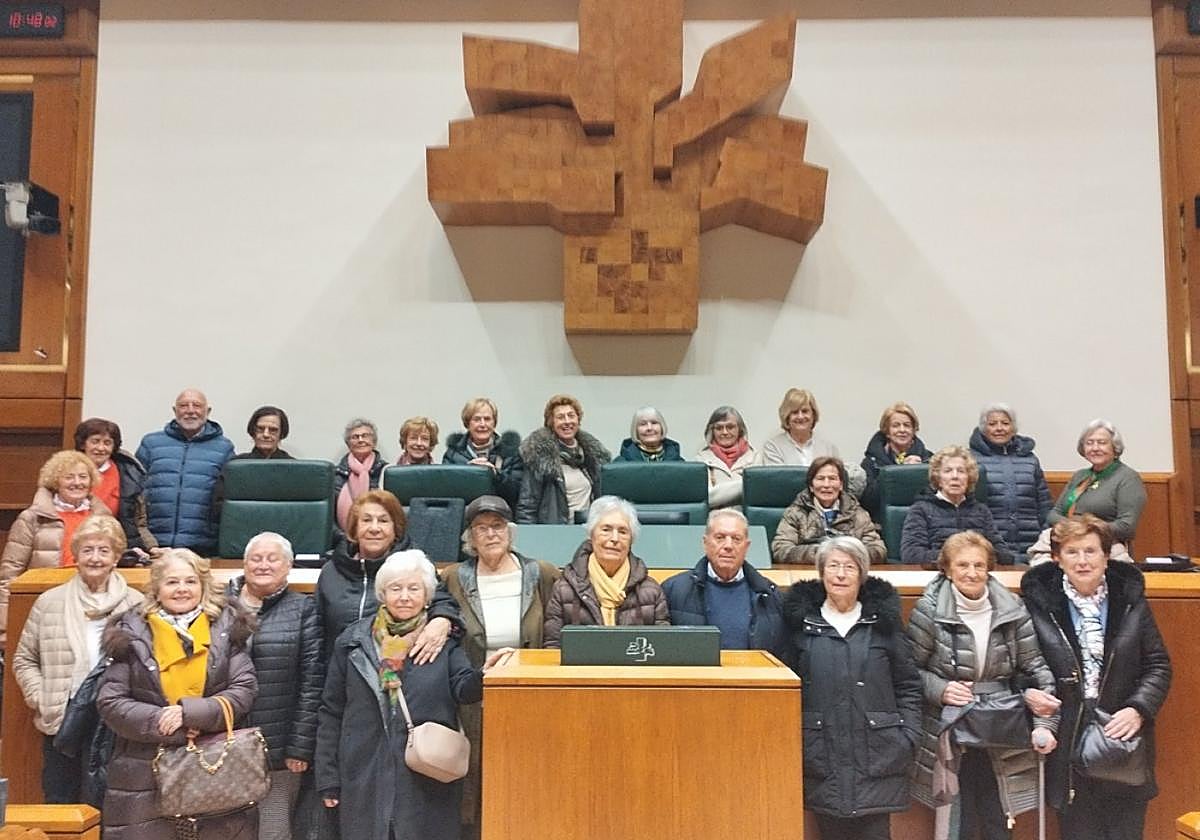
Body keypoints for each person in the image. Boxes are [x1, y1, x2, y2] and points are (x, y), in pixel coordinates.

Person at [315, 550, 511, 840]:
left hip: (425, 778)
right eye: (396, 588)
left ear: (427, 596)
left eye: (413, 588)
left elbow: (463, 689)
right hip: (364, 773)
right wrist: (328, 777)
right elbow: (332, 710)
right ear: (382, 594)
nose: (404, 597)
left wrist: (485, 674)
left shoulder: (441, 642)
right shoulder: (353, 641)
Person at [1020, 516, 1171, 840]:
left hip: (1122, 735)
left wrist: (1138, 709)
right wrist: (1027, 693)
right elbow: (1018, 666)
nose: (1083, 561)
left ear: (1106, 556)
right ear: (1057, 558)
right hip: (1068, 737)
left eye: (1090, 551)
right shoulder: (1038, 604)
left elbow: (1158, 665)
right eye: (1072, 552)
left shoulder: (1131, 600)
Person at [96, 548, 258, 840]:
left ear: (203, 586)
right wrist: (165, 721)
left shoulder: (229, 627)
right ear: (156, 589)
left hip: (214, 767)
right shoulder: (129, 632)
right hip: (143, 771)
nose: (182, 589)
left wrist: (189, 714)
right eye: (172, 582)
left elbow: (243, 690)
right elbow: (111, 702)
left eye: (190, 581)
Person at [907, 531, 1058, 840]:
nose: (972, 573)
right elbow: (908, 671)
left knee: (997, 819)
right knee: (955, 823)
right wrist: (940, 689)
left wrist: (1045, 724)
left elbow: (1037, 668)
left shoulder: (1012, 608)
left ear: (989, 568)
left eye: (979, 565)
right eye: (962, 565)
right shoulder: (929, 609)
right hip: (949, 726)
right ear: (947, 569)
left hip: (1000, 726)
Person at [781, 536, 921, 840]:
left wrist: (907, 736)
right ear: (822, 573)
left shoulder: (883, 623)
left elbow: (908, 685)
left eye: (849, 567)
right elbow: (787, 691)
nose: (841, 575)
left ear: (862, 575)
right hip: (821, 755)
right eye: (833, 566)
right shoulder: (801, 625)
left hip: (879, 755)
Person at [441, 495, 558, 838]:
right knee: (475, 778)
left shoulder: (540, 573)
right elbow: (440, 614)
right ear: (470, 537)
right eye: (482, 528)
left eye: (498, 526)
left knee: (527, 777)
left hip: (529, 695)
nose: (491, 534)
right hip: (472, 696)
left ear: (510, 532)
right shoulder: (454, 577)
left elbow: (558, 627)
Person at [11, 515, 144, 803]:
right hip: (63, 714)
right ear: (76, 555)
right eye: (88, 550)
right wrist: (42, 696)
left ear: (116, 557)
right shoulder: (50, 602)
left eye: (104, 550)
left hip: (115, 717)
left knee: (112, 802)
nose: (95, 558)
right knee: (60, 798)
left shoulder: (136, 604)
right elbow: (24, 659)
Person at [227, 531, 323, 840]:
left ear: (288, 566)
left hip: (278, 748)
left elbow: (312, 682)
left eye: (273, 559)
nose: (263, 565)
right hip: (222, 742)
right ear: (244, 564)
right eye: (256, 558)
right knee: (227, 829)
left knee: (274, 830)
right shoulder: (219, 607)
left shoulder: (303, 609)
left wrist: (299, 747)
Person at [316, 489, 460, 660]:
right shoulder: (331, 571)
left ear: (395, 529)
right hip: (341, 668)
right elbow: (316, 633)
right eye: (366, 520)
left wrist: (442, 619)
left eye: (383, 521)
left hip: (399, 668)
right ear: (354, 528)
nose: (374, 528)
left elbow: (443, 602)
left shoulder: (415, 565)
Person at [1, 450, 112, 643]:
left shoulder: (104, 518)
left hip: (93, 606)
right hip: (45, 606)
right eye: (69, 477)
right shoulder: (31, 518)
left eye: (83, 477)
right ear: (55, 481)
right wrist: (4, 623)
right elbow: (10, 572)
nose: (77, 482)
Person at [543, 496, 669, 647]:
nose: (615, 538)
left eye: (623, 532)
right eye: (606, 530)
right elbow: (553, 646)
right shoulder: (564, 589)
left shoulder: (651, 591)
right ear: (591, 535)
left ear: (631, 540)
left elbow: (663, 647)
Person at [662, 509, 785, 657]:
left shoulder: (770, 595)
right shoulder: (674, 590)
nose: (728, 546)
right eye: (720, 537)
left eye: (736, 539)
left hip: (751, 672)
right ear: (705, 543)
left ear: (746, 546)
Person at [135, 388, 234, 555]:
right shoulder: (151, 444)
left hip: (203, 547)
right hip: (155, 545)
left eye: (197, 405)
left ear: (208, 411)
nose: (190, 411)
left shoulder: (224, 448)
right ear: (175, 410)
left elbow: (227, 497)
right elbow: (135, 491)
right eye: (183, 405)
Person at [900, 445, 1014, 566]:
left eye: (961, 471)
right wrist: (958, 558)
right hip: (937, 572)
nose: (955, 476)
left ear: (969, 478)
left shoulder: (981, 511)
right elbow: (911, 555)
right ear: (938, 478)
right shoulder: (920, 510)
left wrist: (974, 559)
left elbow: (1005, 555)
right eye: (948, 471)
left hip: (976, 573)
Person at [1046, 419, 1146, 554]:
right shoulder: (1080, 476)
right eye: (1089, 443)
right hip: (1068, 545)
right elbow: (1053, 514)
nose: (1095, 448)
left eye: (1102, 443)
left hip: (1108, 550)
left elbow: (1126, 527)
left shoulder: (1128, 478)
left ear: (1115, 447)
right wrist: (1074, 529)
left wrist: (1084, 531)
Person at [967, 403, 1051, 557]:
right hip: (989, 545)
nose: (999, 428)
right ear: (983, 428)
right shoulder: (970, 459)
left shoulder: (1030, 460)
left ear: (1013, 428)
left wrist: (1044, 537)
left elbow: (1044, 504)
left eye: (1005, 423)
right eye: (992, 424)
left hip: (1031, 543)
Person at [771, 456, 886, 566]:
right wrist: (821, 553)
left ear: (841, 485)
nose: (826, 485)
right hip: (808, 573)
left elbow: (878, 550)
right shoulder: (795, 513)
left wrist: (846, 553)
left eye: (832, 479)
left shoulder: (857, 513)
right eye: (820, 479)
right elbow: (780, 550)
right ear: (811, 486)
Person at [516, 394, 610, 524]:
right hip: (555, 532)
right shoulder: (540, 457)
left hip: (587, 529)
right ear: (551, 423)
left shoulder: (591, 456)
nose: (567, 421)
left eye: (571, 416)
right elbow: (527, 506)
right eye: (560, 417)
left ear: (578, 419)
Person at [74, 417, 157, 558]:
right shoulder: (66, 471)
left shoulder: (128, 474)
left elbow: (138, 522)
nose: (101, 448)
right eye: (95, 441)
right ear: (83, 444)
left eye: (107, 443)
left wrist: (152, 547)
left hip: (116, 548)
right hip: (75, 545)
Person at [211, 405, 295, 522]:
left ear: (281, 434)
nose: (266, 434)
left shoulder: (293, 468)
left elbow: (296, 510)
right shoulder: (235, 466)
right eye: (260, 429)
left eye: (273, 430)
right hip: (242, 526)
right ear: (252, 432)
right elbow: (218, 507)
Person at [442, 397, 523, 506]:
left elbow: (517, 492)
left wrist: (496, 474)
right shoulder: (453, 453)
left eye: (487, 419)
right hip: (463, 512)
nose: (483, 424)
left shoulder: (511, 452)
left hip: (499, 512)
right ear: (467, 423)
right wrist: (466, 473)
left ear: (494, 423)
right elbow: (446, 491)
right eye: (477, 419)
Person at [860, 401, 933, 516]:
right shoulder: (871, 462)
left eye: (907, 425)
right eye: (896, 425)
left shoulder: (929, 460)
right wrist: (898, 473)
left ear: (914, 430)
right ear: (887, 431)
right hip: (882, 522)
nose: (902, 430)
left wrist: (918, 472)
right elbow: (868, 502)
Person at [695, 405, 756, 508]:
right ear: (712, 431)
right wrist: (745, 485)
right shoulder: (701, 459)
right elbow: (707, 498)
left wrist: (720, 491)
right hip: (715, 515)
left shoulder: (755, 457)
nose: (725, 432)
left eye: (730, 427)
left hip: (746, 516)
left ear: (740, 429)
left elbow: (758, 494)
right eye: (719, 428)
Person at [333, 417, 385, 534]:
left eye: (365, 436)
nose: (360, 440)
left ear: (374, 442)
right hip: (341, 538)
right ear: (348, 444)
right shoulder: (335, 475)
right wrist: (342, 537)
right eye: (355, 437)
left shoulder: (385, 471)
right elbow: (328, 517)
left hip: (378, 535)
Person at [615, 406, 684, 462]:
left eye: (654, 423)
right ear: (635, 430)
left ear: (662, 427)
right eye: (643, 424)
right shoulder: (620, 464)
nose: (649, 428)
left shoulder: (679, 464)